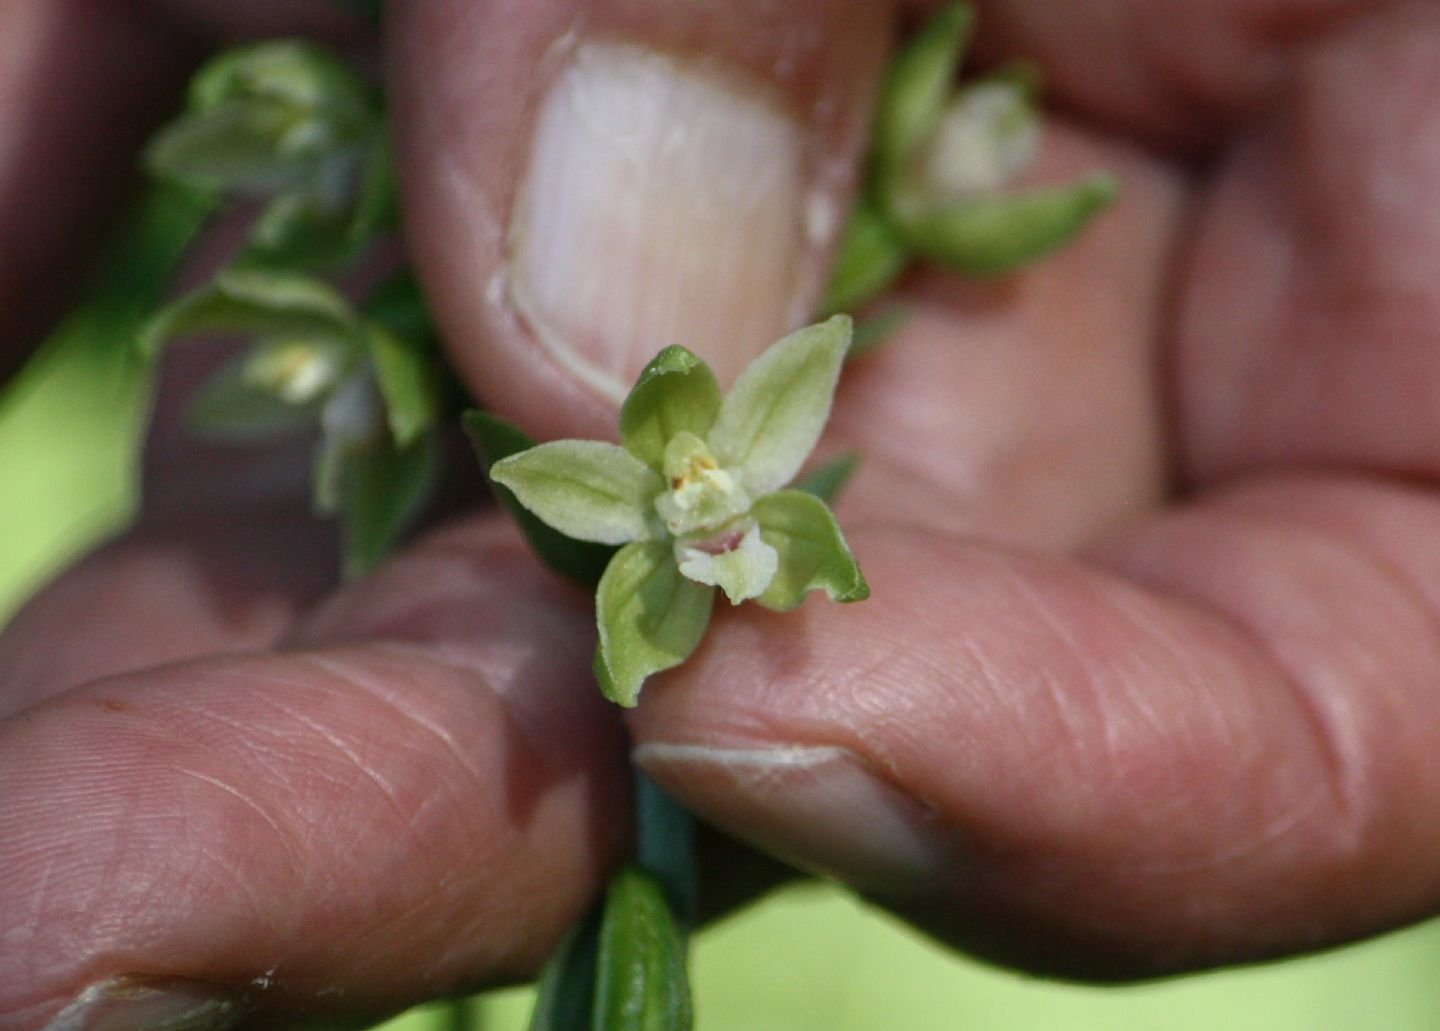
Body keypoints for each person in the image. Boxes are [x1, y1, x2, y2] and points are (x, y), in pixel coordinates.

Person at [4, 0, 1440, 1026]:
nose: (703, 503)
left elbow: (759, 532)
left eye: (707, 490)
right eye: (692, 493)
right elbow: (630, 599)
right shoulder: (623, 493)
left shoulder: (758, 485)